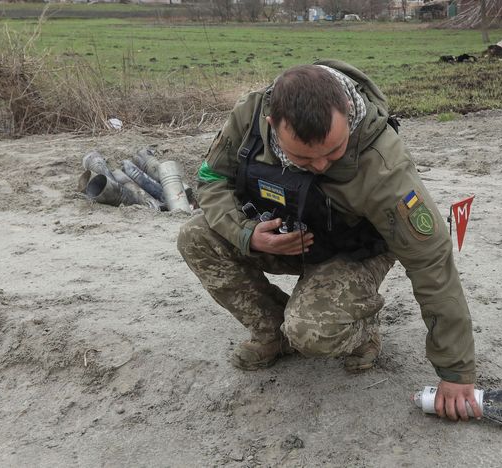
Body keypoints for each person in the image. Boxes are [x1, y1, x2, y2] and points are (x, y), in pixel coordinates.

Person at [177, 60, 481, 421]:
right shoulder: (251, 115)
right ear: (273, 124)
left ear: (348, 116)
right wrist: (247, 234)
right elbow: (211, 178)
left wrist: (456, 373)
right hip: (286, 238)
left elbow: (430, 258)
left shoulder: (382, 162)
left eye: (334, 152)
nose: (320, 165)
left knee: (311, 331)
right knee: (195, 235)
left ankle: (362, 327)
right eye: (303, 157)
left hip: (353, 250)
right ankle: (273, 332)